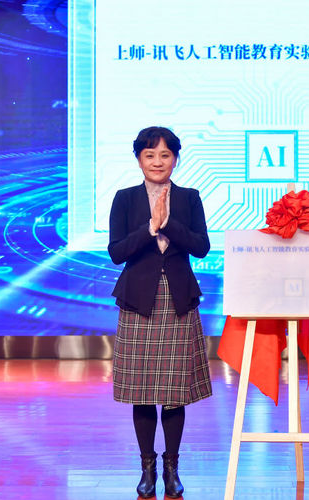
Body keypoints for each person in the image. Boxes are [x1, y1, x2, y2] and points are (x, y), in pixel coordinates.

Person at [108, 126, 212, 499]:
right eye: (150, 155)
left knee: (174, 391)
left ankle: (172, 467)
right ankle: (147, 468)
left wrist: (169, 224)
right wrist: (150, 228)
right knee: (142, 390)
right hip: (139, 300)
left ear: (175, 159)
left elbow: (201, 246)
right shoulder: (124, 198)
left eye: (165, 155)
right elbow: (117, 252)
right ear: (139, 159)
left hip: (179, 299)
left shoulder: (189, 197)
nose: (157, 161)